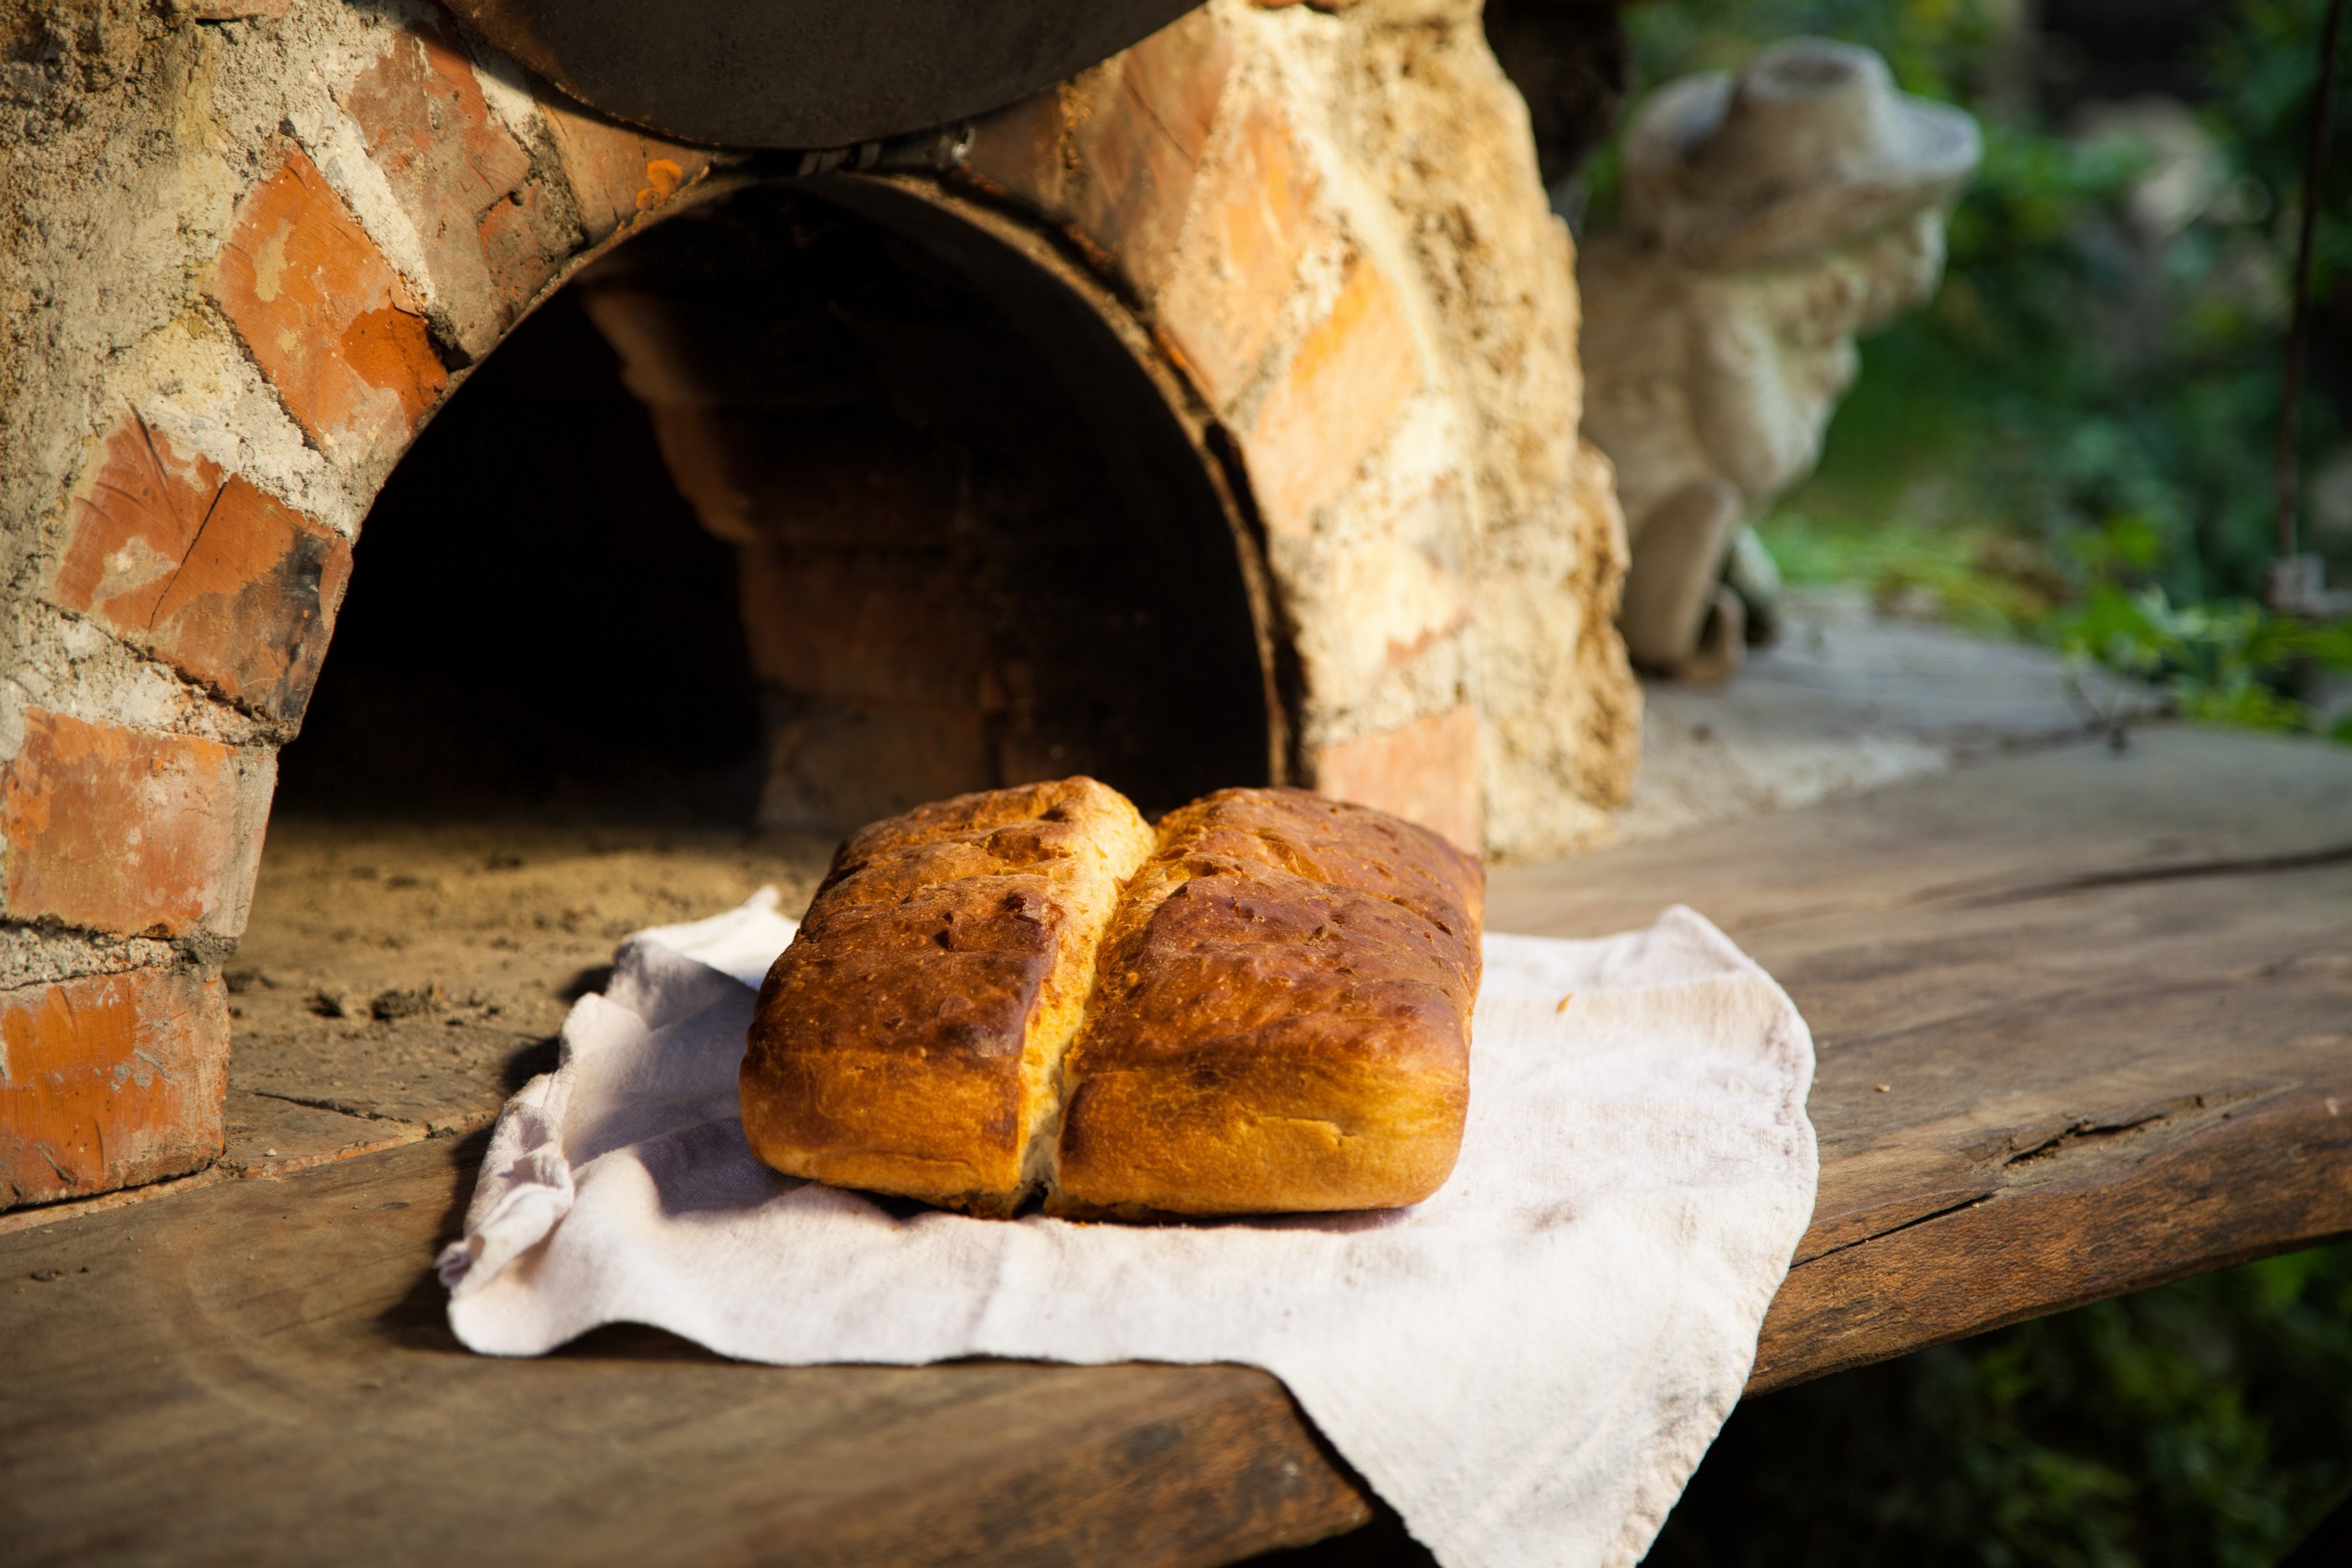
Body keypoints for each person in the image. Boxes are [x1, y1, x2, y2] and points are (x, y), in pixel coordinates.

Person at [1580, 38, 1980, 678]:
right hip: (1625, 510)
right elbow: (1761, 458)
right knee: (1700, 513)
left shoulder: (1759, 315)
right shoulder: (1721, 315)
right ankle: (1660, 611)